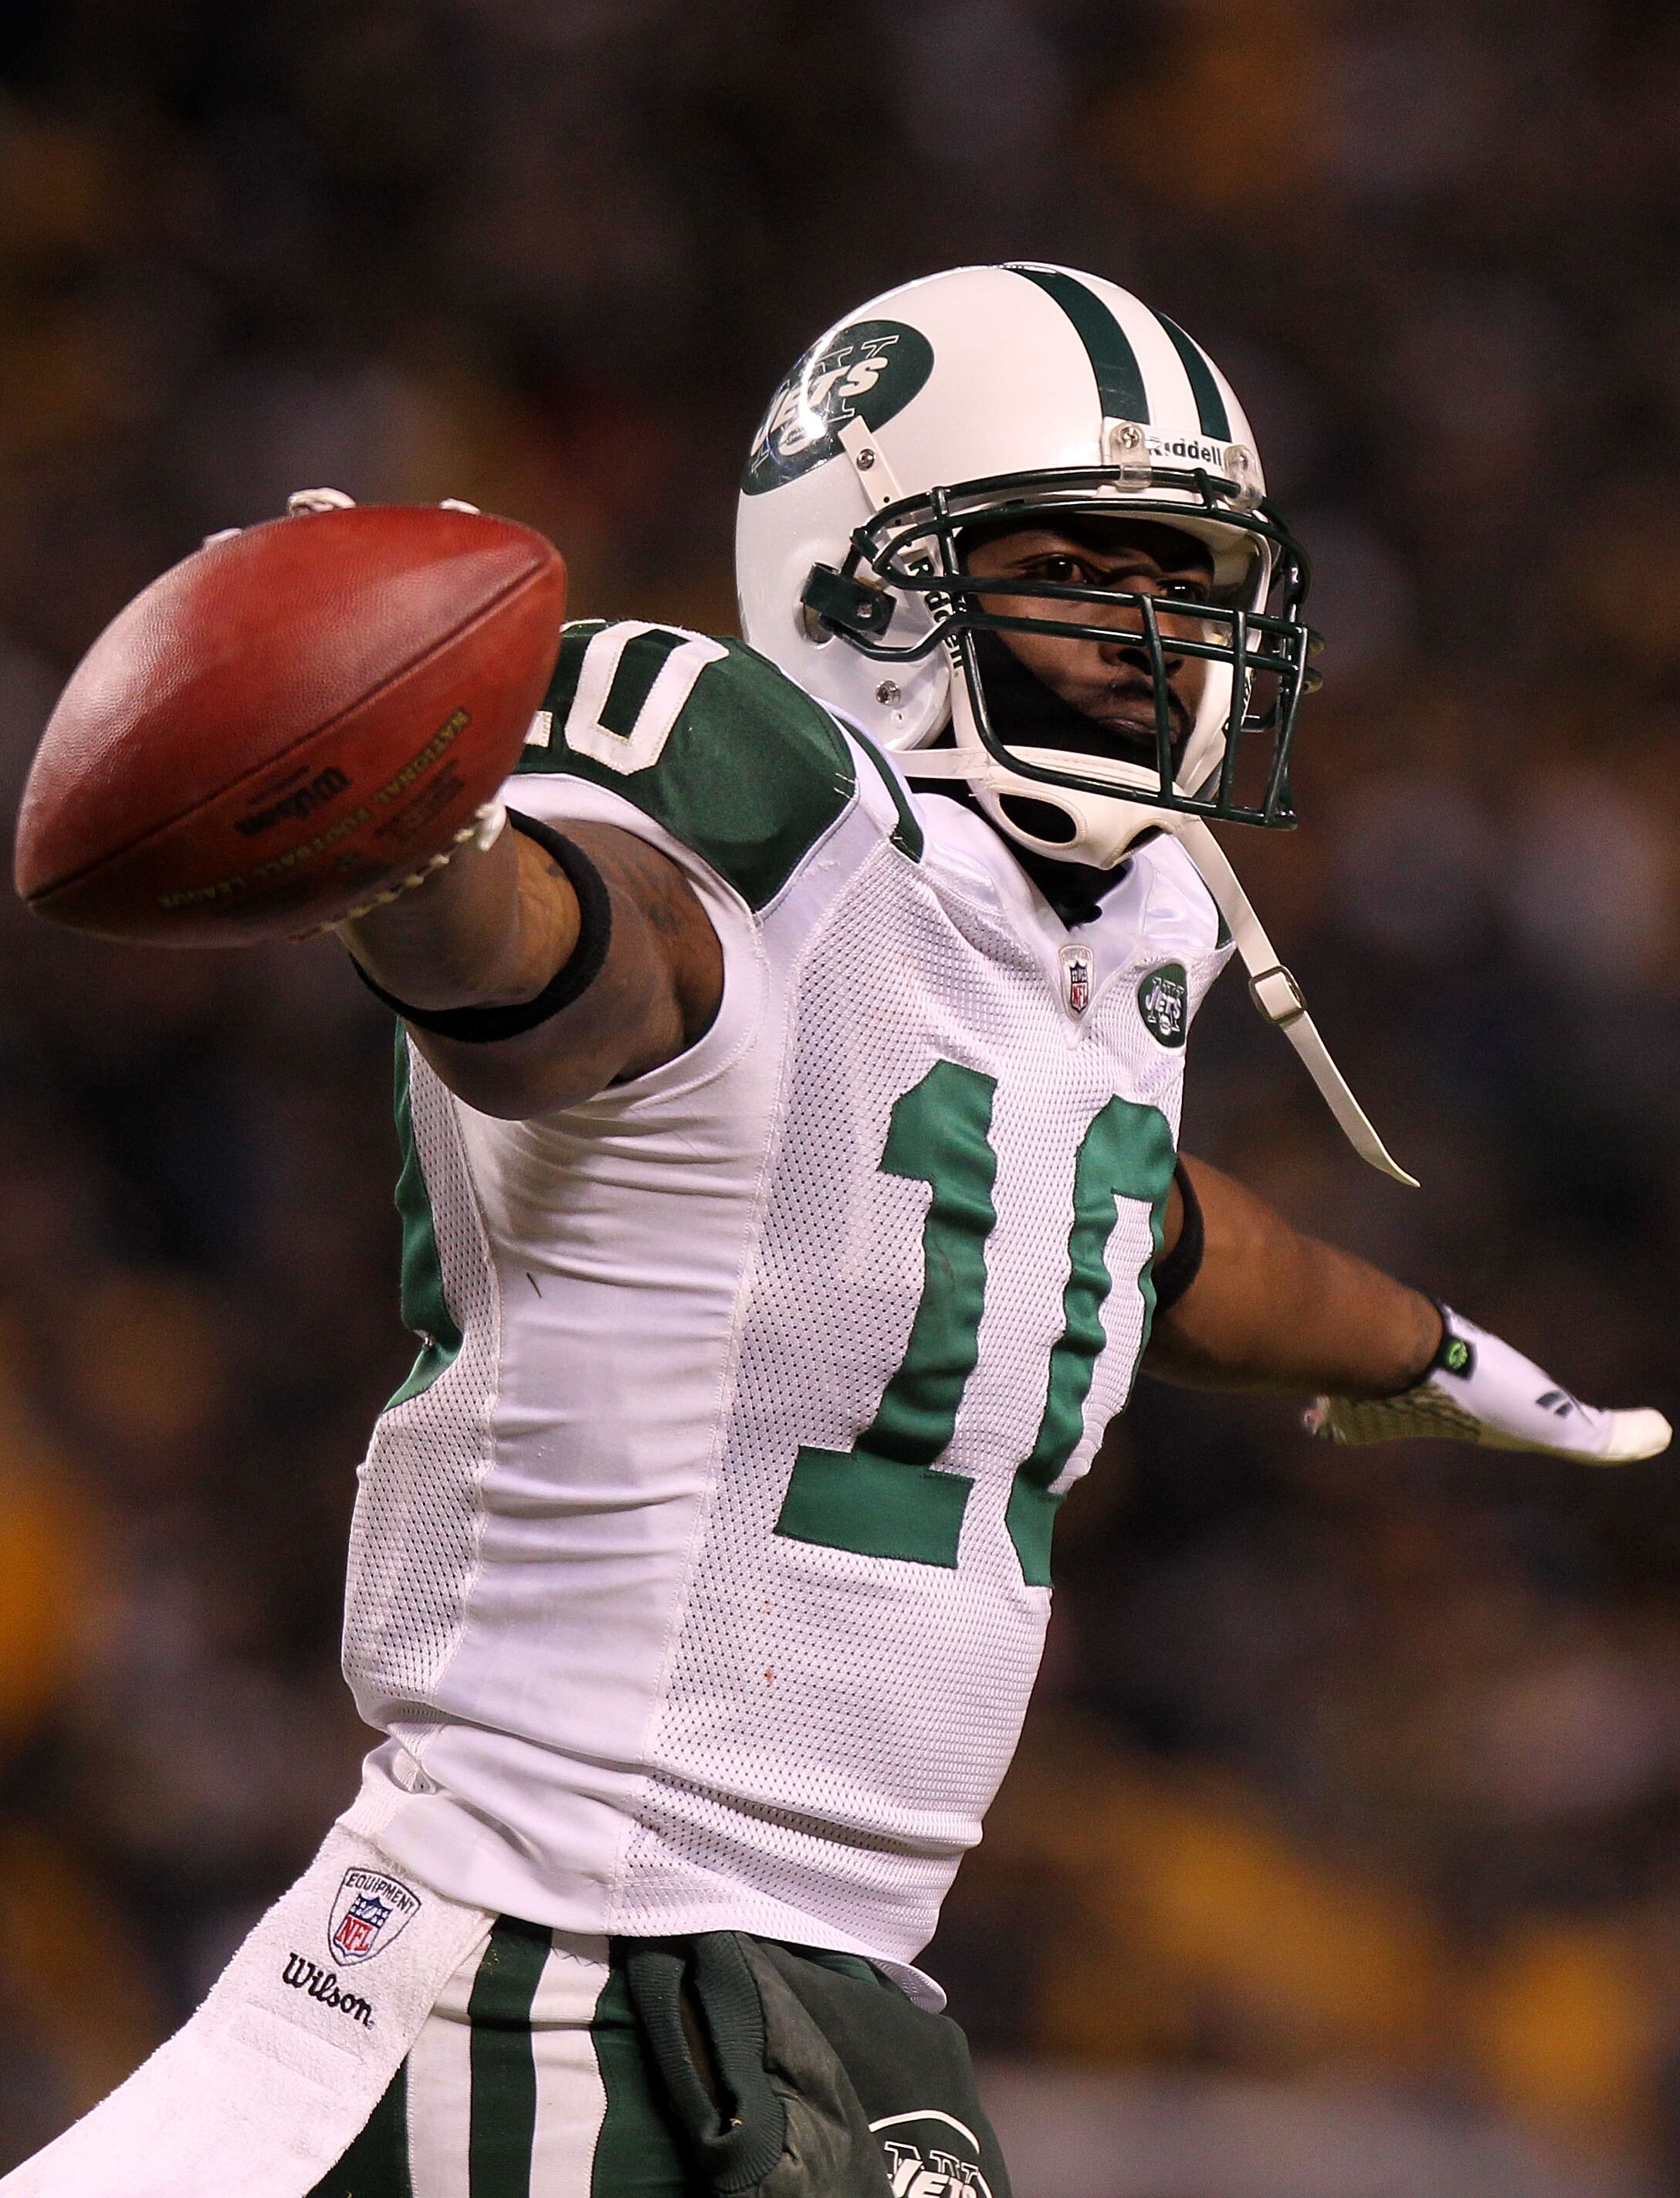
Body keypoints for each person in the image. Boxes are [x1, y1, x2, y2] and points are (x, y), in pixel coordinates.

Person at [8, 265, 1668, 2198]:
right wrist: (422, 857)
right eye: (1081, 566)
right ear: (862, 576)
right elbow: (573, 973)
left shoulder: (1101, 935)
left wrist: (1426, 1352)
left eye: (1196, 581)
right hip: (557, 1964)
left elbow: (1119, 1222)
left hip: (820, 1983)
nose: (1162, 640)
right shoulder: (752, 834)